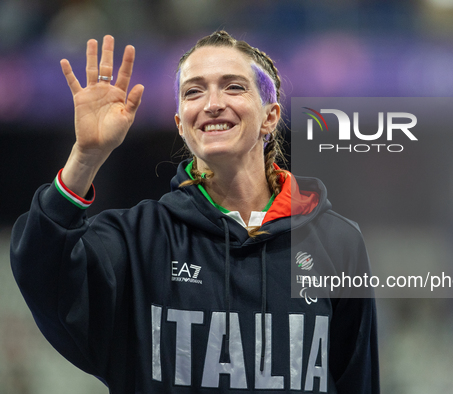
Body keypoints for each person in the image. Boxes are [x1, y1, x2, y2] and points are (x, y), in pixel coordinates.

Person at [10, 31, 379, 393]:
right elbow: (42, 271)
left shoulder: (336, 243)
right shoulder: (139, 240)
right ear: (181, 126)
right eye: (194, 91)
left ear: (270, 116)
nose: (212, 103)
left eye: (233, 87)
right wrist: (86, 157)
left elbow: (357, 380)